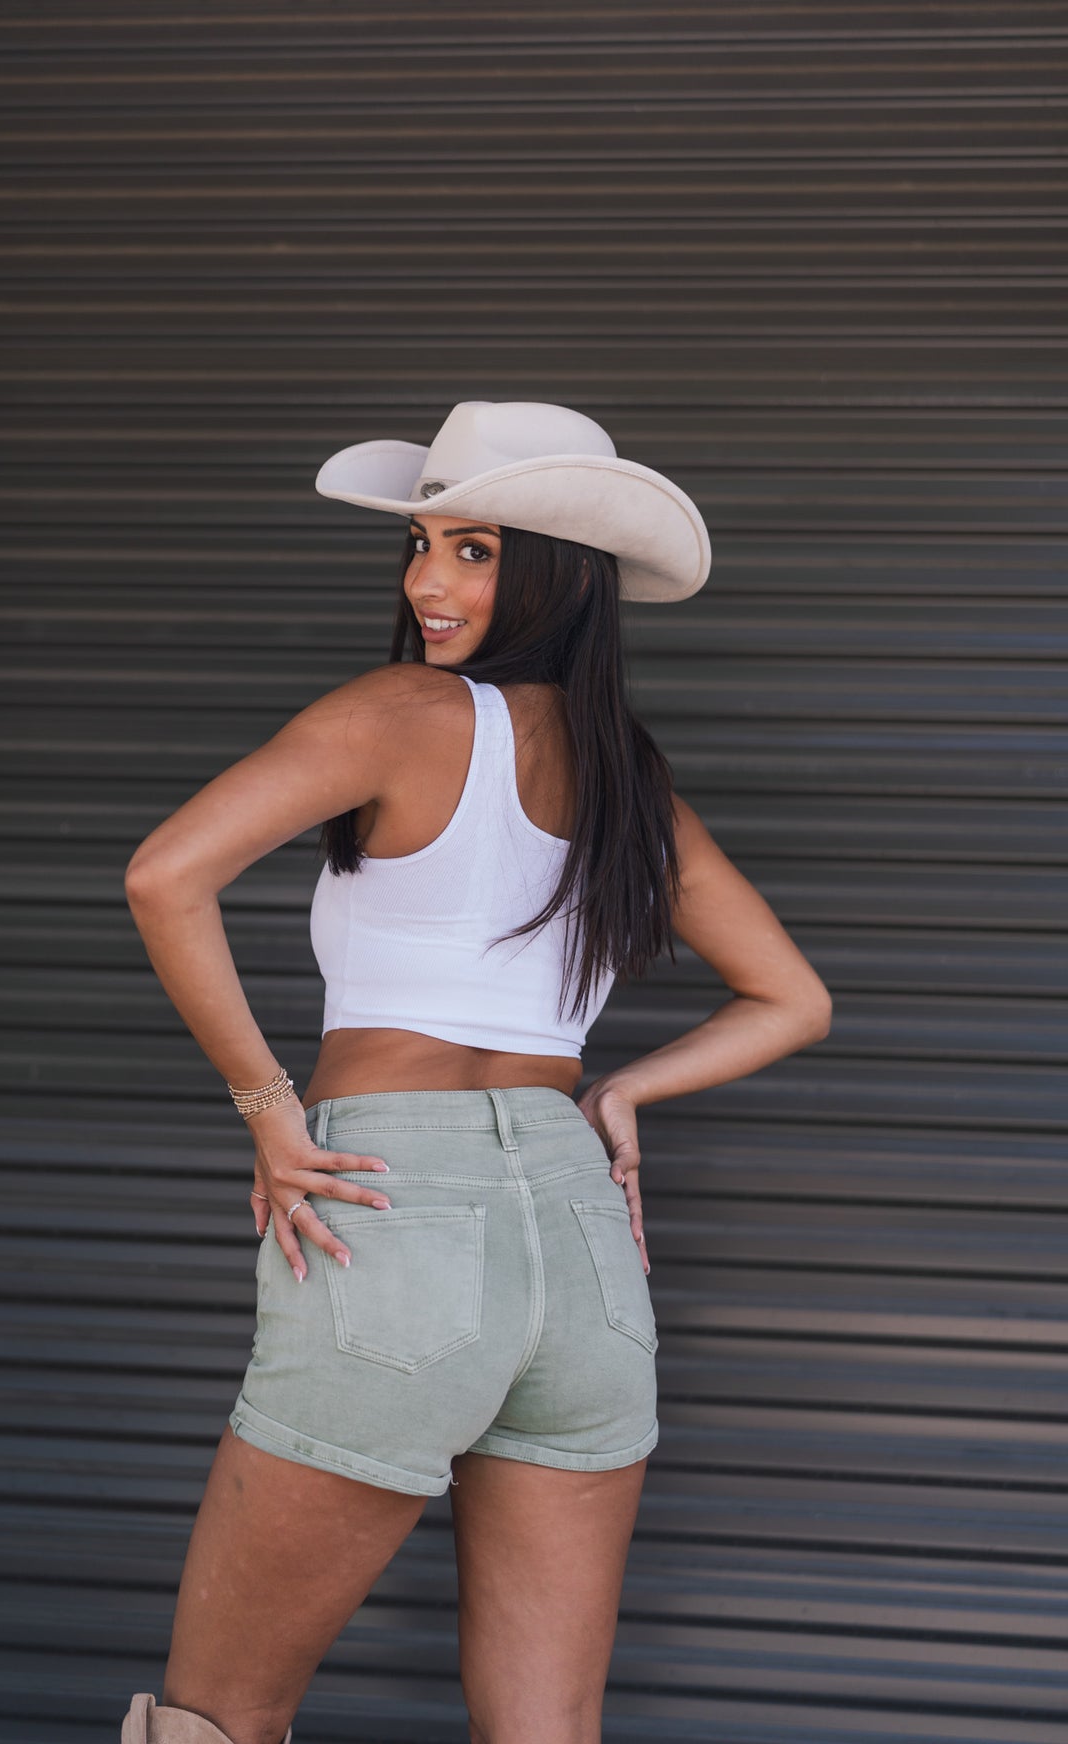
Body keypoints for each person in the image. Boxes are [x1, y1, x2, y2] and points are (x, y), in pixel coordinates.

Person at [118, 401, 832, 1744]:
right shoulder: (630, 781)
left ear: (559, 573)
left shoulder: (399, 711)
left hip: (392, 1203)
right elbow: (794, 998)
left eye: (475, 550)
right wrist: (614, 1096)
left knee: (221, 1720)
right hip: (585, 1247)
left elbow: (165, 876)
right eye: (423, 545)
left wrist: (270, 1112)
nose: (428, 583)